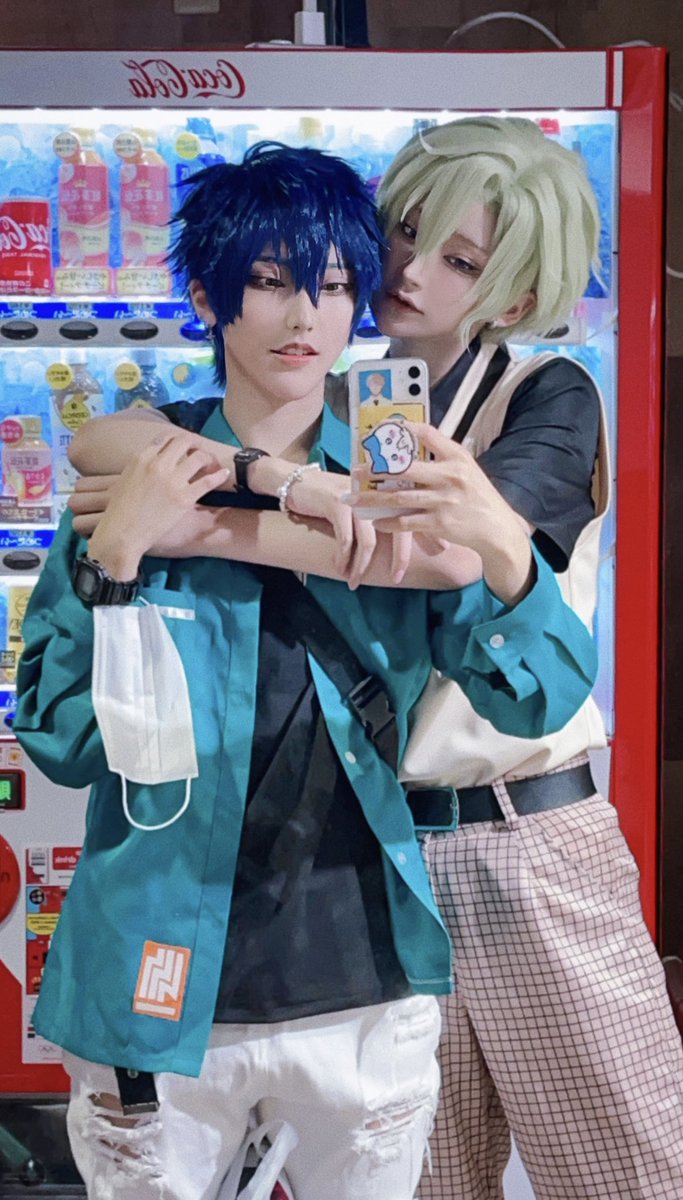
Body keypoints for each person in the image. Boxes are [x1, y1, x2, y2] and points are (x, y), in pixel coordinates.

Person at [68, 117, 683, 1200]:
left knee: (622, 1169)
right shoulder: (348, 397)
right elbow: (105, 442)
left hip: (522, 837)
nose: (409, 270)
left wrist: (191, 523)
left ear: (513, 290)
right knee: (426, 1178)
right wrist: (280, 482)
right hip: (377, 850)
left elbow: (437, 561)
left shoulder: (544, 392)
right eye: (404, 232)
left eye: (461, 260)